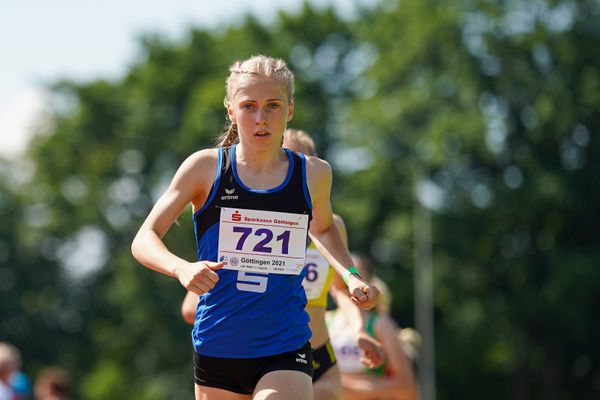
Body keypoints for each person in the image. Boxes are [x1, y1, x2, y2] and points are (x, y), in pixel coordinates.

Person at [131, 54, 379, 400]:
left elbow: (322, 229)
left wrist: (350, 274)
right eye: (249, 106)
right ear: (230, 110)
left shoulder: (314, 174)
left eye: (272, 106)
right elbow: (144, 237)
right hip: (219, 345)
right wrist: (181, 268)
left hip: (285, 344)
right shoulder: (204, 168)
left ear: (290, 109)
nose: (261, 119)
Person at [181, 128, 385, 400]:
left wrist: (359, 329)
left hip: (313, 352)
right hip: (250, 351)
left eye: (301, 163)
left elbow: (340, 290)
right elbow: (189, 308)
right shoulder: (246, 223)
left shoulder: (332, 226)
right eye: (285, 160)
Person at [327, 254, 418, 400]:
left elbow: (407, 388)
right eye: (340, 276)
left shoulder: (380, 325)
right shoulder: (323, 322)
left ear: (368, 282)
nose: (347, 283)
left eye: (354, 277)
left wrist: (345, 387)